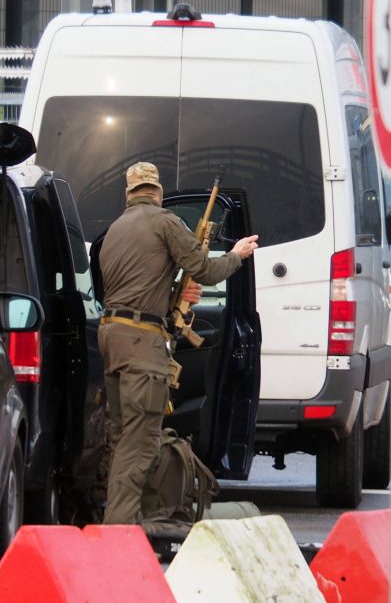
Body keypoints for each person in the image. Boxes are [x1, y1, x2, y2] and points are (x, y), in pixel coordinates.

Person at [97, 161, 259, 526]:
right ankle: (119, 533)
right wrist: (237, 254)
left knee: (121, 439)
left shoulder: (115, 230)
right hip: (143, 345)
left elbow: (134, 286)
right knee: (139, 444)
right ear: (157, 192)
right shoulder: (165, 221)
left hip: (112, 337)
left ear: (129, 193)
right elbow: (206, 269)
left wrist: (173, 292)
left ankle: (122, 518)